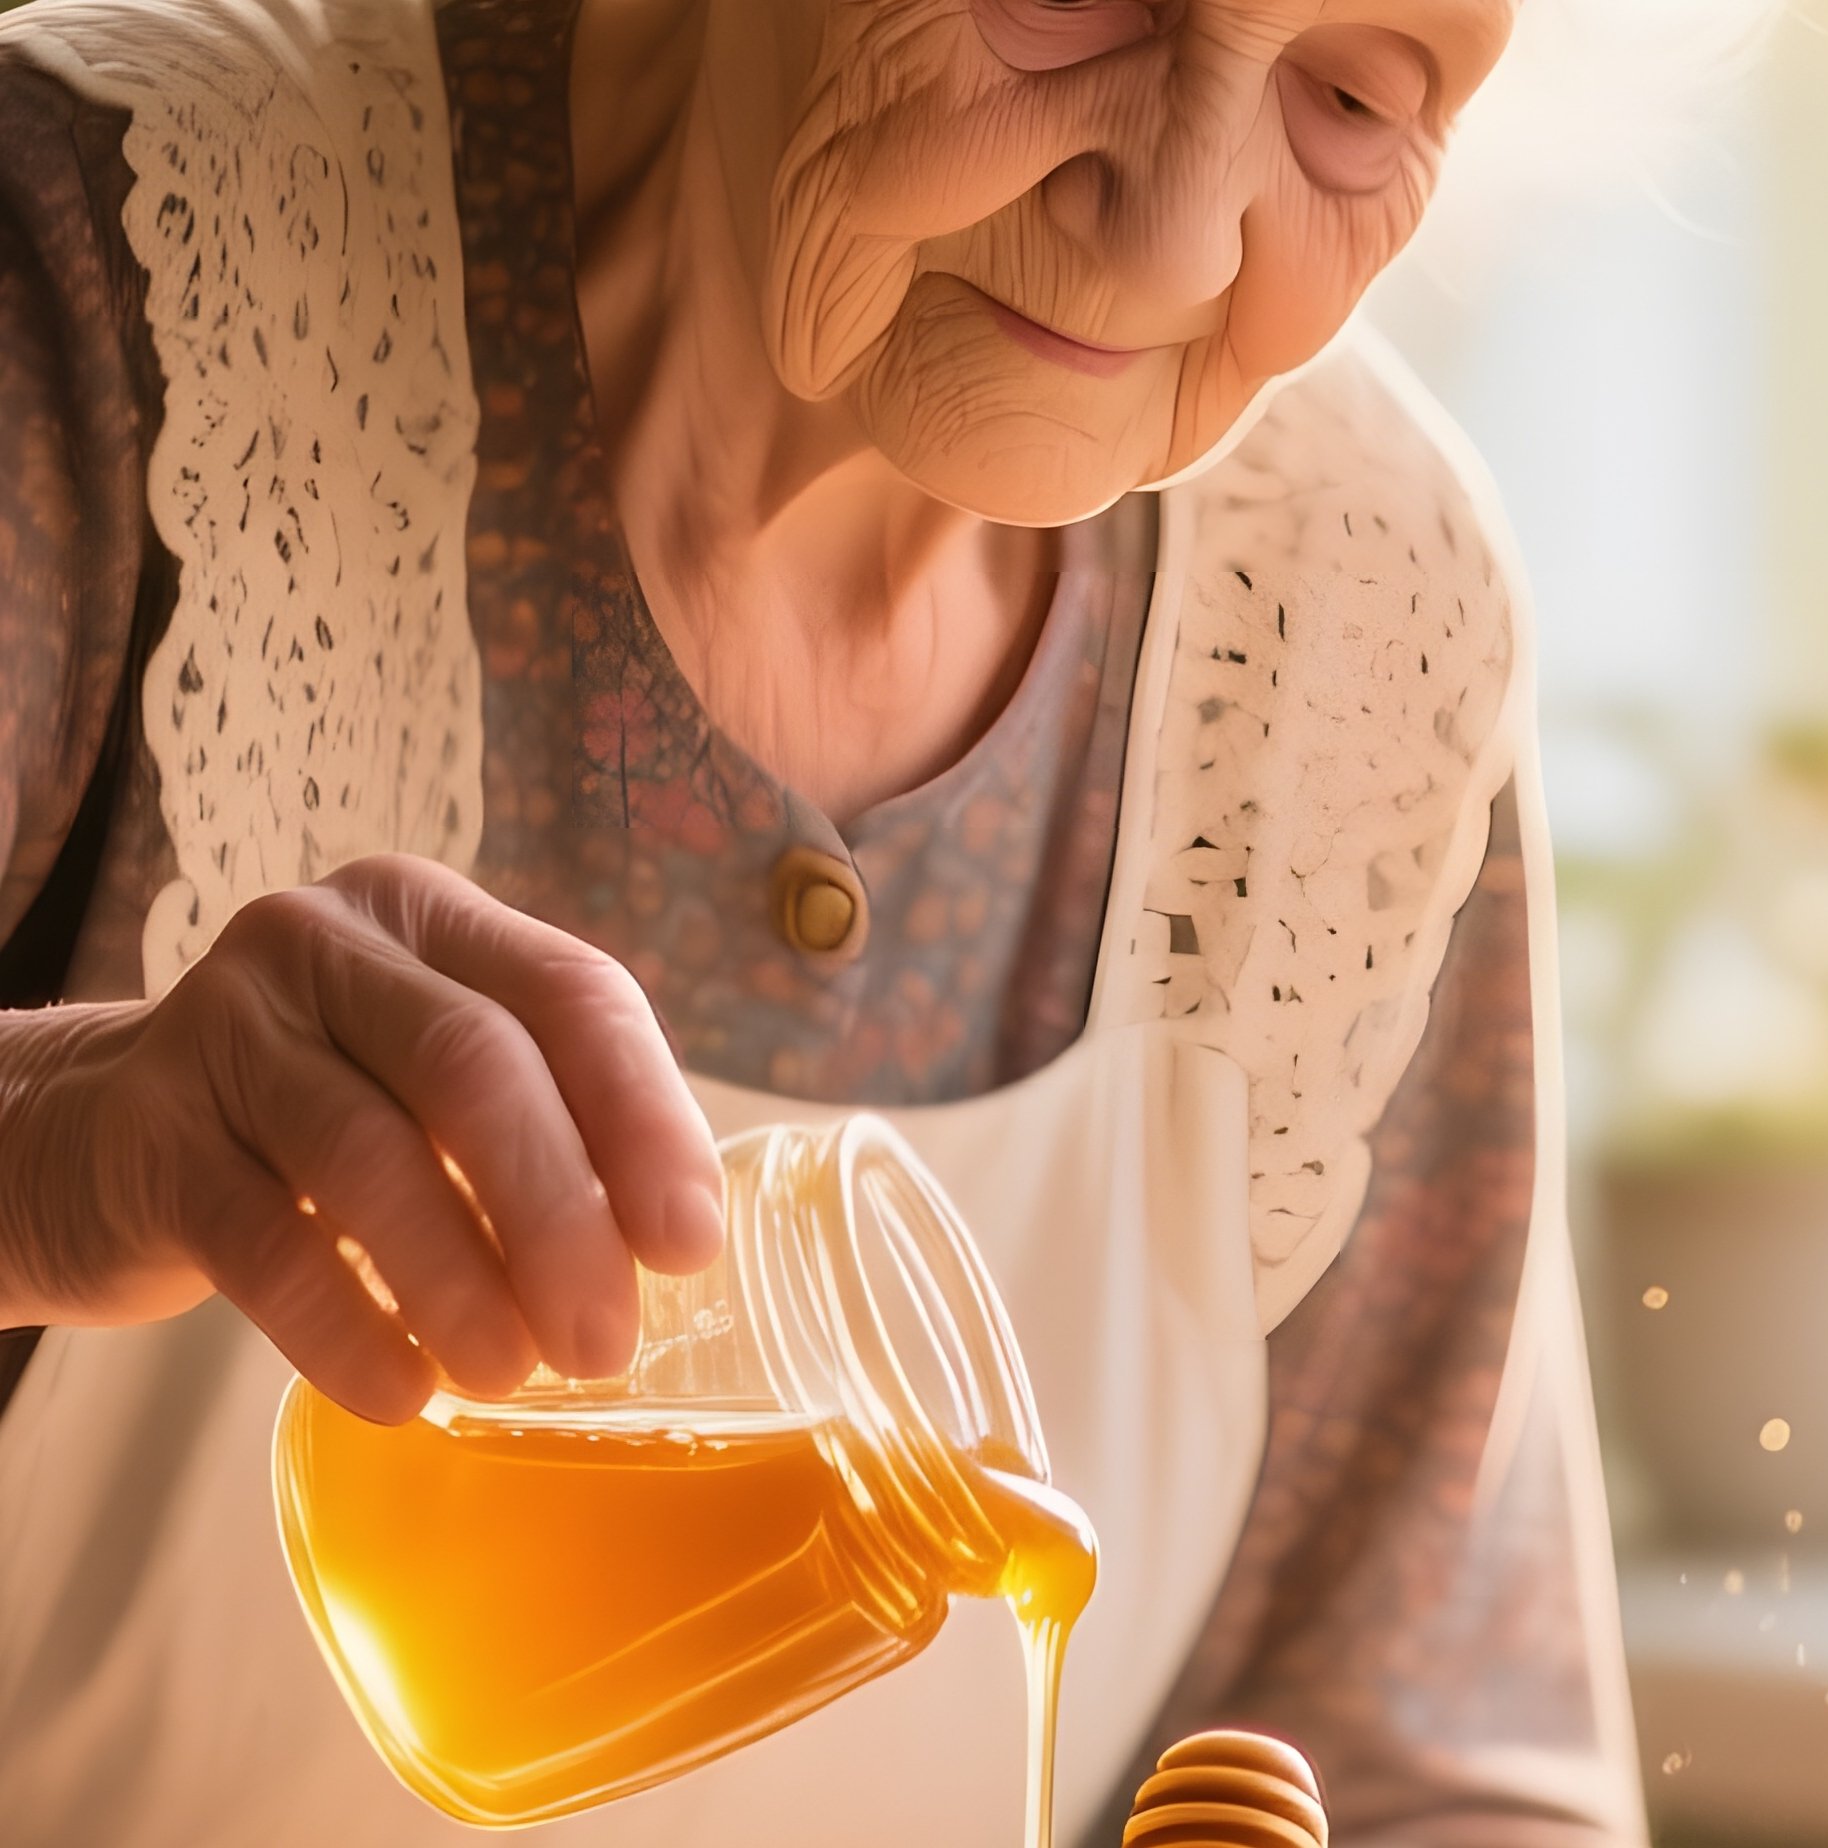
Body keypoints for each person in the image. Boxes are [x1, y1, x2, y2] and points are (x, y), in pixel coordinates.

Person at [0, 0, 1646, 1841]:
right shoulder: (109, 269)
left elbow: (1432, 1757)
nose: (1176, 232)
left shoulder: (1352, 606)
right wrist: (40, 1153)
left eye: (1351, 98)